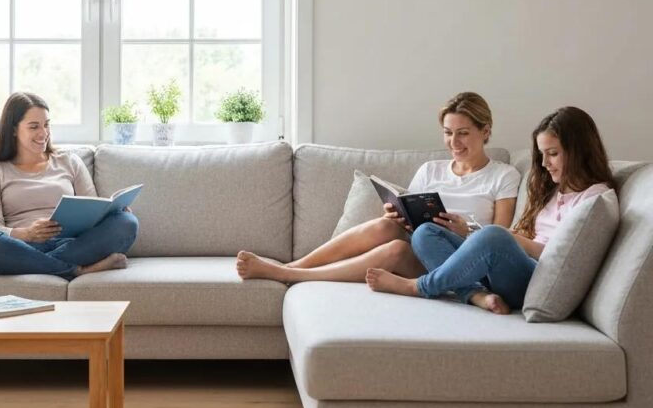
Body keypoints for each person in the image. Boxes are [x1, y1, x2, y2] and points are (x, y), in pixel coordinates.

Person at [236, 92, 521, 312]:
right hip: (424, 248)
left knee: (407, 244)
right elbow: (412, 214)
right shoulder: (431, 170)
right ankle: (295, 266)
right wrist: (398, 214)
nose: (454, 142)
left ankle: (288, 274)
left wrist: (466, 232)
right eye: (448, 133)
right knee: (388, 229)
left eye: (463, 133)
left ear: (485, 131)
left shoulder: (503, 175)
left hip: (467, 260)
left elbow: (502, 237)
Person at [365, 106, 614, 314]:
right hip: (511, 268)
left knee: (493, 234)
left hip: (534, 278)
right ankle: (475, 295)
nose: (544, 163)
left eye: (553, 154)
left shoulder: (595, 198)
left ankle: (419, 287)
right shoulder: (554, 190)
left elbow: (562, 256)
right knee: (426, 232)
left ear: (579, 151)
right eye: (542, 154)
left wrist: (508, 239)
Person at [0, 91, 138, 278]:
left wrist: (112, 211)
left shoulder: (69, 161)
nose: (43, 133)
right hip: (22, 246)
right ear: (13, 129)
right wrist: (28, 233)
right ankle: (78, 270)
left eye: (46, 125)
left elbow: (92, 208)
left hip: (74, 244)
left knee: (127, 222)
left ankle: (9, 266)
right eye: (34, 126)